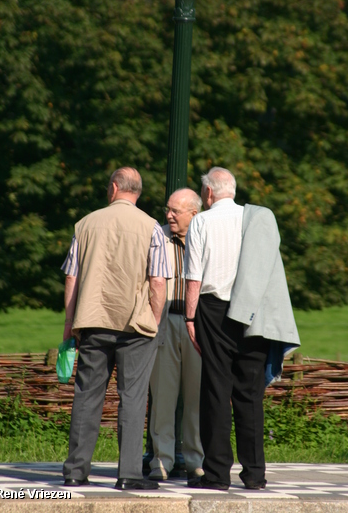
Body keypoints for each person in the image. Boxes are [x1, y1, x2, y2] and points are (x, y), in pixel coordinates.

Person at [184, 167, 300, 491]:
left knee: (216, 392)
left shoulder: (201, 221)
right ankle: (254, 475)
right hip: (253, 312)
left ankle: (217, 475)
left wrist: (190, 319)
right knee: (250, 396)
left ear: (208, 193)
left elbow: (193, 277)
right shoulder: (255, 220)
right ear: (232, 190)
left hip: (212, 310)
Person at [61, 167, 171, 491]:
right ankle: (129, 474)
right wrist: (153, 317)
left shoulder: (85, 224)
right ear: (137, 192)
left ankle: (75, 471)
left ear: (113, 188)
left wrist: (70, 325)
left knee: (87, 396)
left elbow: (72, 277)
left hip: (93, 321)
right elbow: (158, 280)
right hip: (136, 325)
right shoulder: (152, 227)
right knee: (133, 398)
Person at [148, 188, 204, 486]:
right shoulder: (157, 237)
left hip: (198, 326)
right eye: (167, 209)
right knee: (163, 396)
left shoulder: (206, 237)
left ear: (193, 214)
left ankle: (196, 461)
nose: (168, 215)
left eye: (175, 211)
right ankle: (161, 460)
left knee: (197, 398)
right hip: (165, 323)